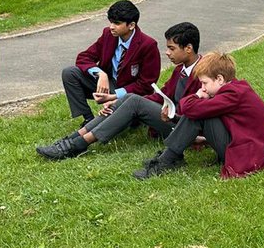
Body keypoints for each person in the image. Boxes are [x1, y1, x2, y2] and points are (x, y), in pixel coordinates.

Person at [36, 23, 202, 160]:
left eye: (172, 49)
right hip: (170, 116)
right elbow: (162, 94)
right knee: (129, 98)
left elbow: (203, 110)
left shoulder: (204, 73)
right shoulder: (180, 69)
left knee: (134, 100)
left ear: (188, 48)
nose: (167, 53)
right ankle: (73, 138)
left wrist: (174, 114)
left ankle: (78, 145)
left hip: (184, 127)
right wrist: (117, 103)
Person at [133, 50, 264, 179]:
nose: (203, 88)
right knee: (199, 111)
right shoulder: (235, 89)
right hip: (249, 147)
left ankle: (167, 160)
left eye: (204, 83)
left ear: (220, 79)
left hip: (248, 153)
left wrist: (197, 95)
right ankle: (169, 158)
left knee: (198, 112)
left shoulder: (233, 93)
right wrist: (176, 118)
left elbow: (188, 107)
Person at [59, 0, 161, 123]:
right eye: (111, 22)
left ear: (131, 25)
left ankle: (129, 119)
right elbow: (84, 57)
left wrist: (114, 96)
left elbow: (146, 84)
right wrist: (100, 74)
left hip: (131, 93)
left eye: (117, 23)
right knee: (70, 73)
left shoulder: (148, 45)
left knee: (117, 118)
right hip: (109, 83)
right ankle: (88, 118)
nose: (111, 27)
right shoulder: (108, 34)